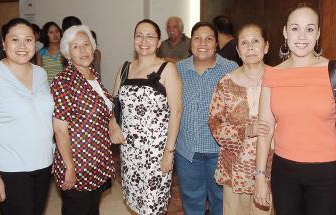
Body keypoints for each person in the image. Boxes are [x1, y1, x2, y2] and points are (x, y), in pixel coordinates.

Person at [254, 3, 336, 215]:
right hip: (284, 172)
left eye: (309, 29)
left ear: (317, 34)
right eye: (295, 28)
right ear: (285, 31)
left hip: (327, 173)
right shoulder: (272, 74)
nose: (301, 36)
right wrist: (260, 176)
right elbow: (265, 129)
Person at [0, 18, 54, 214]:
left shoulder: (41, 73)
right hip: (10, 170)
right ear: (3, 42)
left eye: (28, 40)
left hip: (44, 165)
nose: (22, 46)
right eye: (15, 40)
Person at [109, 19, 182, 214]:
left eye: (150, 36)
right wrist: (113, 125)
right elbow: (114, 104)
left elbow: (176, 112)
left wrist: (169, 152)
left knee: (152, 206)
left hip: (156, 153)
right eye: (139, 35)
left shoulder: (167, 69)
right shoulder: (124, 68)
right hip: (129, 151)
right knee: (135, 203)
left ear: (159, 42)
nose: (144, 40)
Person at [209, 23, 273, 215]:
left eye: (255, 41)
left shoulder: (279, 79)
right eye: (244, 43)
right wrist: (246, 131)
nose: (250, 47)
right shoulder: (226, 83)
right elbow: (214, 123)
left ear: (266, 46)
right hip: (236, 166)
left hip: (273, 166)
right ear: (237, 50)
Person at [175, 21, 238, 215]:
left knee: (221, 202)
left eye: (209, 38)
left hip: (219, 152)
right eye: (197, 38)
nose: (203, 43)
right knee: (192, 202)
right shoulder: (178, 70)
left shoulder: (230, 69)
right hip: (187, 152)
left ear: (216, 43)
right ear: (190, 42)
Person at [51, 24, 115, 215]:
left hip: (97, 159)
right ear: (67, 54)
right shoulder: (63, 81)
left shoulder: (92, 76)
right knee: (77, 210)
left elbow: (105, 109)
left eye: (86, 44)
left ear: (93, 48)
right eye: (76, 46)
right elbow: (60, 130)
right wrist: (69, 167)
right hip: (77, 162)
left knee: (92, 209)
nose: (83, 50)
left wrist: (112, 123)